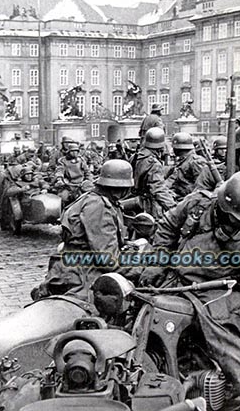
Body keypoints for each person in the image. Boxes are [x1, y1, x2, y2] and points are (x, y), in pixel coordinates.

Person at [140, 171, 240, 411]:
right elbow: (168, 227)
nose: (237, 228)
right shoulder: (198, 205)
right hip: (173, 282)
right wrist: (156, 261)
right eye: (234, 221)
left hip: (214, 297)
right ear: (222, 206)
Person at [32, 159, 140, 302]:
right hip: (82, 274)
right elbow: (107, 260)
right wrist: (140, 270)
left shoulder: (91, 198)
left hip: (71, 265)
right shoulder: (99, 206)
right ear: (122, 188)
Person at [132, 127, 176, 220]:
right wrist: (174, 209)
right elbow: (158, 189)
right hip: (148, 207)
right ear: (160, 147)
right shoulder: (153, 163)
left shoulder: (136, 156)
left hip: (134, 203)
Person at [165, 132, 207, 201]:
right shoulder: (184, 160)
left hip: (190, 200)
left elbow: (201, 186)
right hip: (181, 197)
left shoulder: (195, 161)